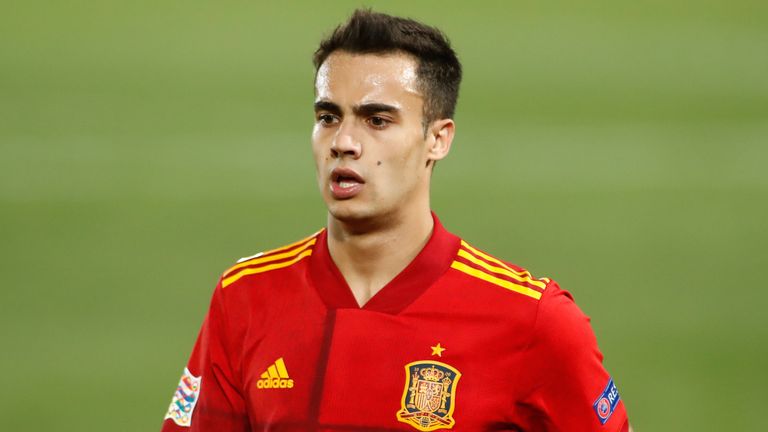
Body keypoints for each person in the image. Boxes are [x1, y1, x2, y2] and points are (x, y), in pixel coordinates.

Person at [161, 9, 630, 432]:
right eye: (328, 116)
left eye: (377, 120)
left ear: (437, 139)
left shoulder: (533, 321)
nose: (344, 142)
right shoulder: (245, 297)